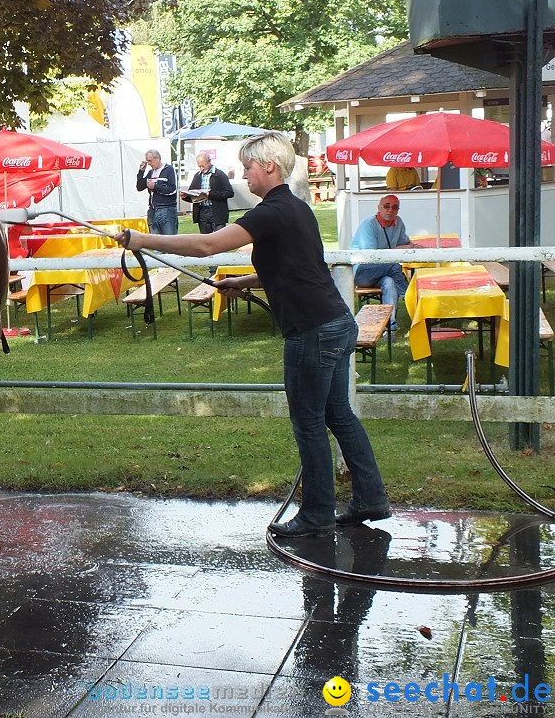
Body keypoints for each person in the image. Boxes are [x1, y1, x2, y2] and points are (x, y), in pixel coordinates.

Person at [116, 132, 389, 538]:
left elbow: (207, 245)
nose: (244, 173)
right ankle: (370, 498)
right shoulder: (296, 209)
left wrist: (143, 240)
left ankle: (317, 513)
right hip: (336, 323)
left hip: (312, 331)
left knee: (310, 423)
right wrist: (241, 282)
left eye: (248, 166)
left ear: (269, 167)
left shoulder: (270, 212)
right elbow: (294, 268)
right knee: (338, 416)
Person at [351, 194, 413, 330]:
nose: (390, 209)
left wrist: (415, 247)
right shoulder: (368, 225)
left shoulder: (399, 222)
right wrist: (397, 249)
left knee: (389, 282)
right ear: (379, 208)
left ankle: (389, 326)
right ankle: (409, 296)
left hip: (382, 271)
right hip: (362, 271)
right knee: (394, 265)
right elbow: (371, 256)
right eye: (386, 206)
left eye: (395, 207)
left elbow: (405, 242)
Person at [184, 152, 234, 233]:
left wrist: (210, 194)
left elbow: (229, 193)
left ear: (209, 162)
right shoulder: (197, 176)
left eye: (203, 165)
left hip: (216, 212)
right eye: (199, 166)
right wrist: (185, 196)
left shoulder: (219, 175)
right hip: (202, 212)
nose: (201, 168)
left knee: (219, 240)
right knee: (205, 240)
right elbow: (193, 194)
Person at [135, 150, 178, 235]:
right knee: (155, 243)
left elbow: (172, 190)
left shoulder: (169, 170)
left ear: (157, 158)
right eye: (147, 161)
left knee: (169, 242)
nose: (149, 164)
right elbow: (139, 187)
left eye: (150, 161)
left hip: (166, 210)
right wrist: (141, 172)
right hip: (153, 211)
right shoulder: (151, 172)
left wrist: (155, 186)